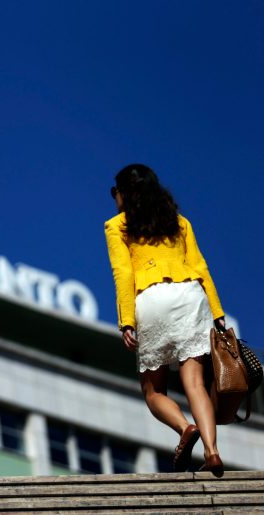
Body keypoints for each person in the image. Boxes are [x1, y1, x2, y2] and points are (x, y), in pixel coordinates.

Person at [104, 164, 225, 476]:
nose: (114, 198)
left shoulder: (117, 226)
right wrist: (218, 314)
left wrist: (126, 322)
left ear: (124, 193)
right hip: (190, 297)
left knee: (154, 392)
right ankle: (212, 452)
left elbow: (124, 275)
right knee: (195, 382)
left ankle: (185, 428)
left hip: (151, 300)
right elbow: (200, 267)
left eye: (115, 192)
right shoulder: (179, 222)